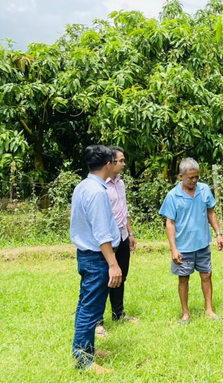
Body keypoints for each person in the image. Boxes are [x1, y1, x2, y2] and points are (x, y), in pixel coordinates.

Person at [70, 145, 122, 375]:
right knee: (90, 309)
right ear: (108, 164)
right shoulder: (98, 192)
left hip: (86, 255)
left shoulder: (84, 186)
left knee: (86, 305)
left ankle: (87, 347)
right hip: (97, 257)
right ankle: (83, 360)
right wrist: (113, 263)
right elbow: (102, 233)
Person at [160, 158, 223, 323]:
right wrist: (173, 248)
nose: (195, 180)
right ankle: (185, 313)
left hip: (202, 243)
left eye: (197, 177)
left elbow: (211, 213)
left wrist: (218, 233)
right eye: (191, 178)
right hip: (183, 246)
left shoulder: (204, 190)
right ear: (181, 176)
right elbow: (170, 223)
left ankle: (209, 310)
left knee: (207, 275)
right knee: (183, 278)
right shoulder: (173, 196)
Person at [95, 146, 138, 338]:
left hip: (122, 236)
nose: (123, 164)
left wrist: (130, 233)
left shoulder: (120, 183)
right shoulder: (100, 186)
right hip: (107, 239)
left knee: (121, 276)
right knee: (104, 278)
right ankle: (97, 322)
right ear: (109, 163)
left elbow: (124, 209)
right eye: (120, 160)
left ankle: (118, 314)